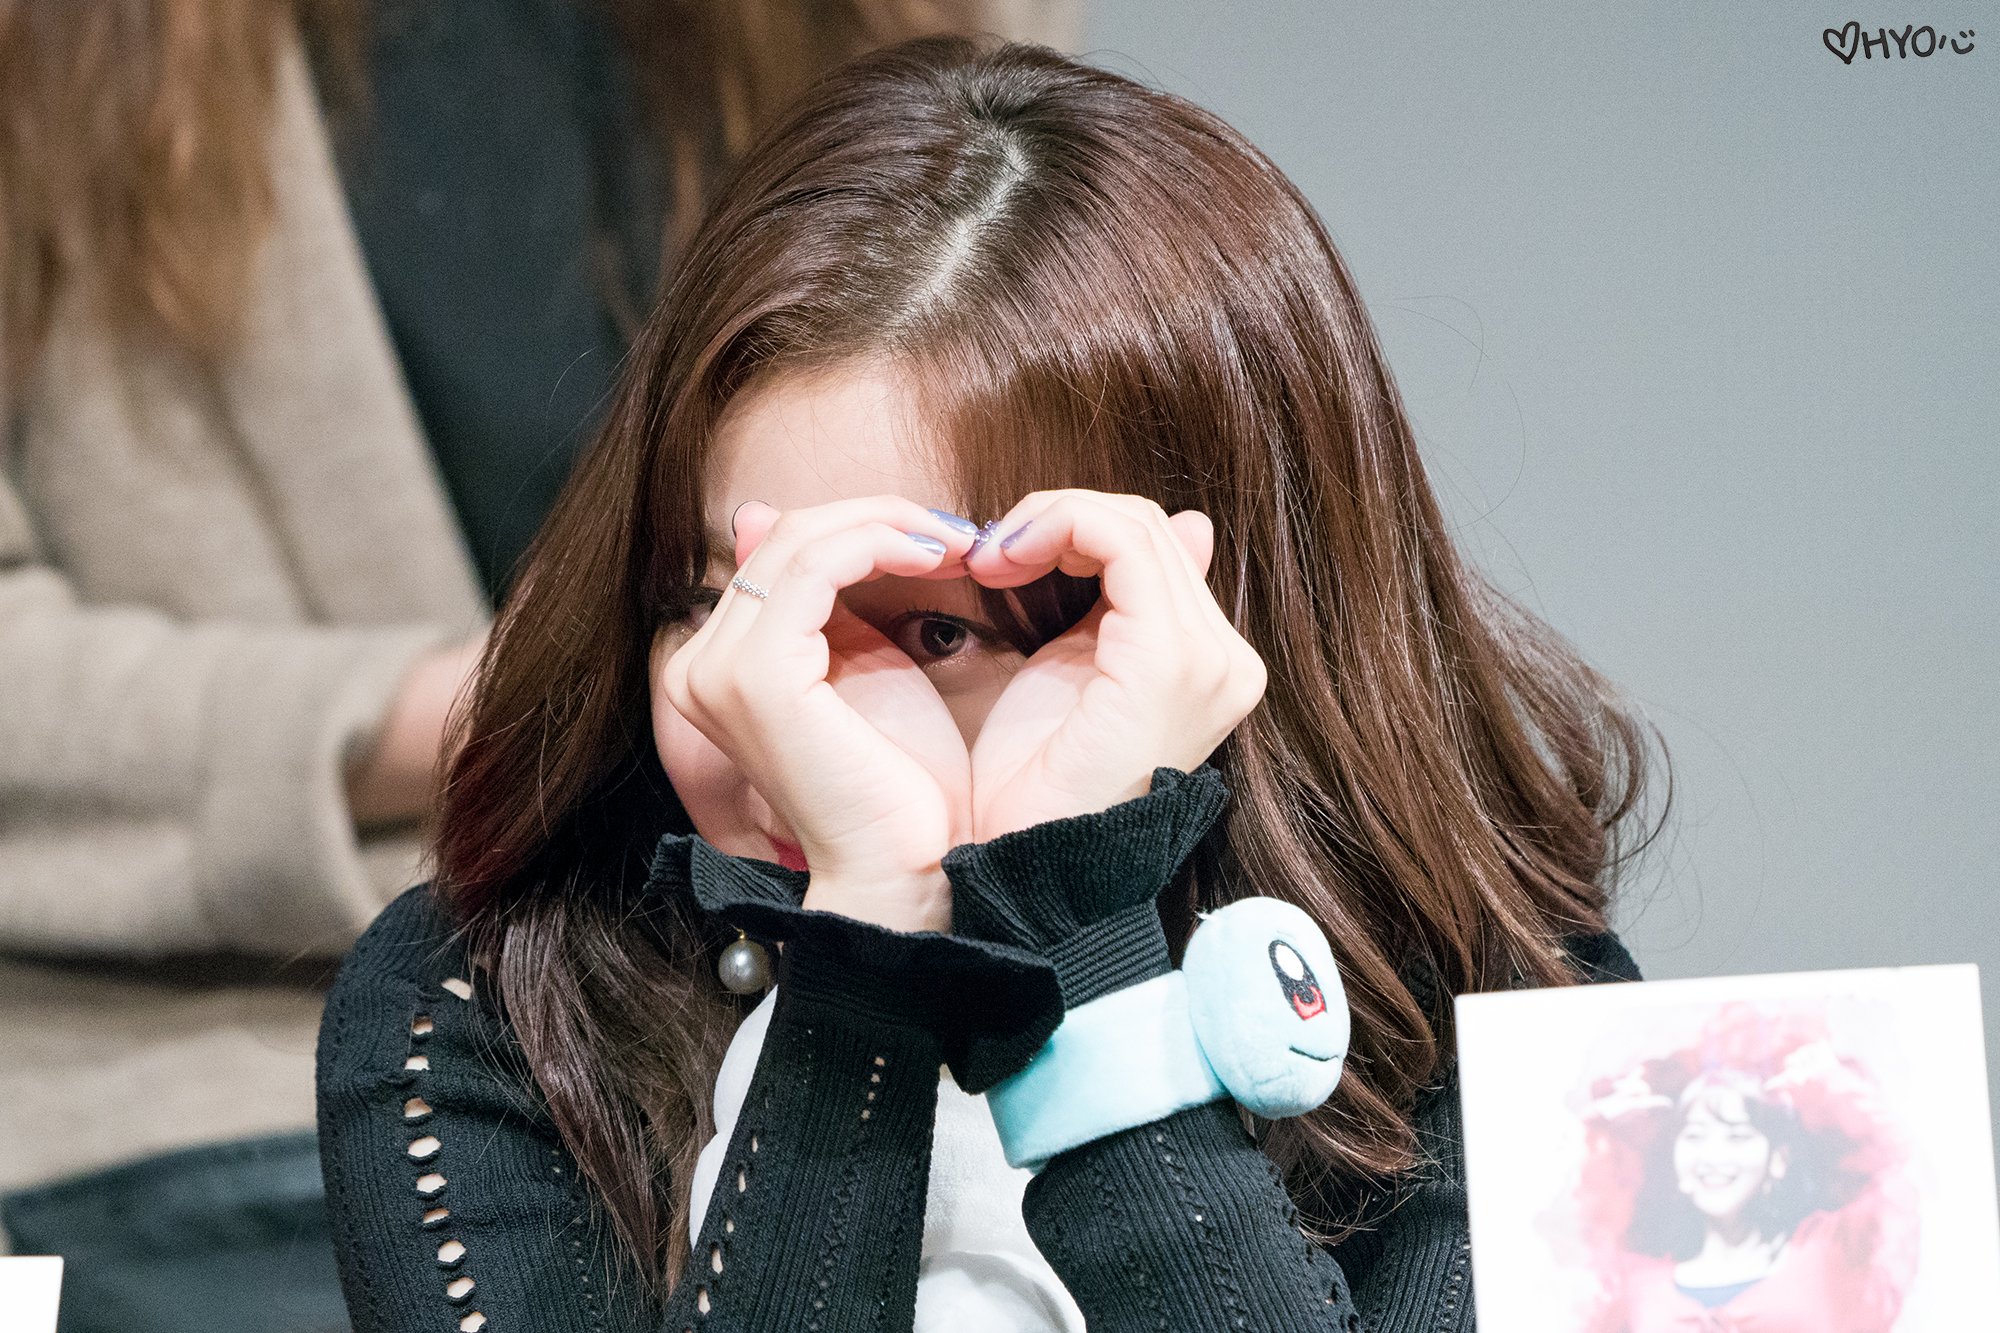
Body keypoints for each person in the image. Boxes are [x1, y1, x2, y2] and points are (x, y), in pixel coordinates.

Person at [315, 34, 1665, 1333]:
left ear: (1193, 629)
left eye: (935, 630)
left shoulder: (1506, 997)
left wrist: (1082, 927)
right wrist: (869, 947)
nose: (782, 715)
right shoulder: (482, 1004)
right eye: (724, 604)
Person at [0, 2, 1070, 1329]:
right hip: (218, 1069)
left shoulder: (892, 27)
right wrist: (529, 696)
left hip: (880, 966)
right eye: (696, 604)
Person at [1577, 1006, 1918, 1332]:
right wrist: (1601, 1130)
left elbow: (1895, 1170)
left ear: (1778, 1160)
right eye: (1695, 1135)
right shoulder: (1635, 1281)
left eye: (1737, 1136)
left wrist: (1831, 1087)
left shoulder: (1829, 1254)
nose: (1713, 1156)